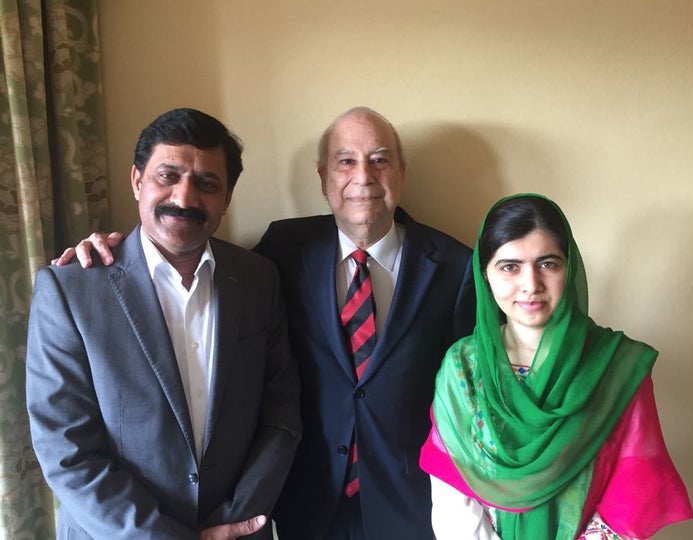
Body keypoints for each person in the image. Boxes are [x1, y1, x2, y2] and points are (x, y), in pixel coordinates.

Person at [53, 107, 476, 539]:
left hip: (411, 507)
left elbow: (471, 399)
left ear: (401, 172)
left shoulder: (458, 266)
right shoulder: (282, 250)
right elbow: (173, 245)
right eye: (345, 160)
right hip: (305, 509)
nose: (363, 176)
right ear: (323, 176)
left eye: (380, 159)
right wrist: (109, 249)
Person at [26, 108, 302, 539]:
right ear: (137, 180)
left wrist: (234, 523)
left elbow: (281, 415)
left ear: (227, 196)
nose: (185, 198)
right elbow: (66, 451)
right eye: (167, 176)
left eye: (207, 184)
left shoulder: (258, 278)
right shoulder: (70, 290)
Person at [419, 193, 693, 539]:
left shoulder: (616, 366)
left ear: (570, 268)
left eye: (548, 264)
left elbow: (631, 492)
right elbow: (451, 486)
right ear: (485, 275)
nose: (531, 285)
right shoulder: (463, 370)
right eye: (510, 267)